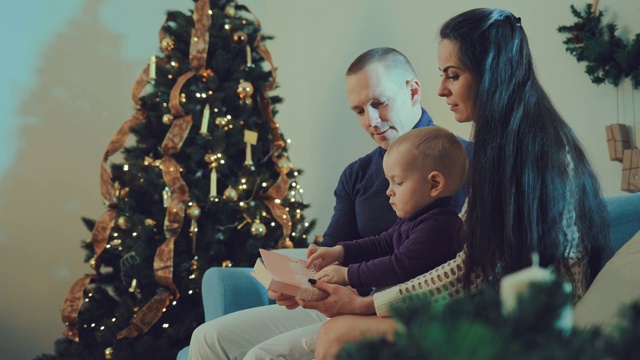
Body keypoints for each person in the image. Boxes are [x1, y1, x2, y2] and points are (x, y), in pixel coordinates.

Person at [309, 8, 611, 360]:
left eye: (453, 75)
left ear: (490, 73)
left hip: (528, 324)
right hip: (503, 307)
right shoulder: (513, 141)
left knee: (337, 334)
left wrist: (367, 304)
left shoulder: (524, 152)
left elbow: (469, 273)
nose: (441, 89)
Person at [188, 47, 471, 360]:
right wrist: (301, 284)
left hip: (391, 308)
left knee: (263, 355)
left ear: (413, 91)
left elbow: (451, 269)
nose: (371, 121)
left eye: (379, 103)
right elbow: (339, 247)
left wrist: (354, 292)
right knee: (208, 338)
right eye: (359, 111)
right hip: (344, 297)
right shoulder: (357, 174)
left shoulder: (463, 164)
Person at [307, 127, 467, 289]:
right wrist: (340, 251)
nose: (389, 191)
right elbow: (381, 244)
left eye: (397, 182)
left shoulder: (440, 226)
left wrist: (348, 274)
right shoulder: (414, 219)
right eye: (388, 182)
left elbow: (399, 266)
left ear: (434, 184)